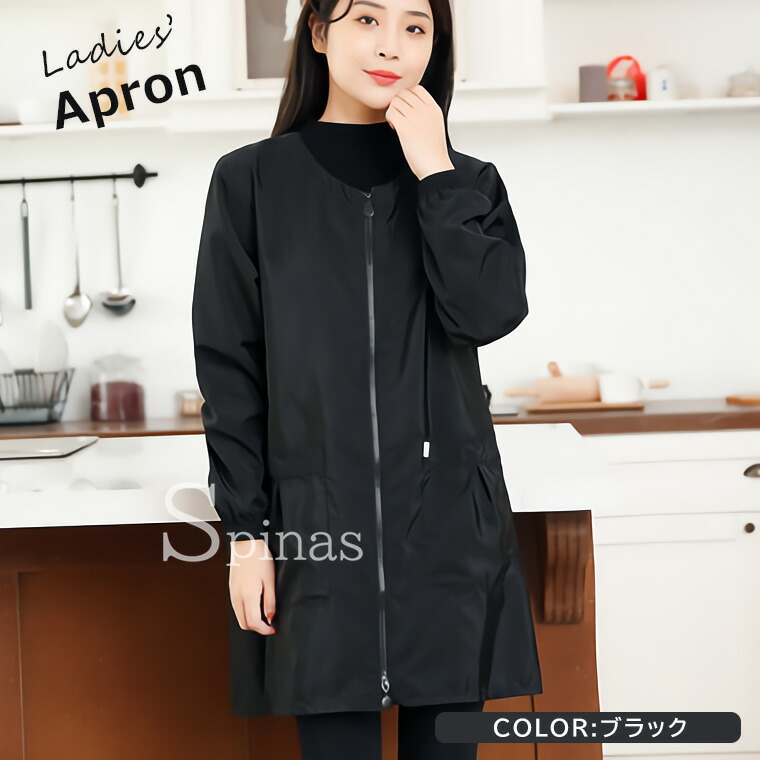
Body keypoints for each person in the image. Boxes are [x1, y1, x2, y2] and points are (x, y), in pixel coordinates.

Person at [191, 0, 543, 757]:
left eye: (415, 27)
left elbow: (486, 314)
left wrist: (435, 173)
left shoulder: (467, 183)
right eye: (367, 21)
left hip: (450, 532)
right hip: (319, 533)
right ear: (320, 34)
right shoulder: (251, 181)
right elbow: (230, 371)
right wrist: (247, 537)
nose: (392, 46)